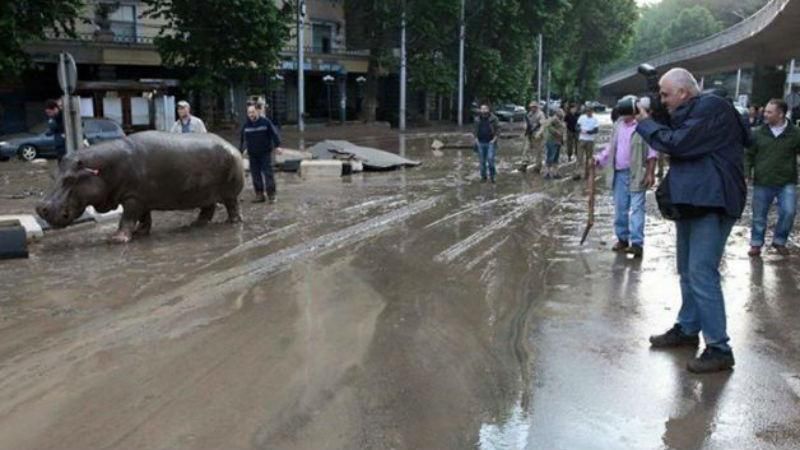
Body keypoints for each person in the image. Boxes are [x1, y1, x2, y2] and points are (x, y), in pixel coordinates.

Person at [635, 68, 749, 373]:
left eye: (665, 94)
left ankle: (719, 347)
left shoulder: (713, 108)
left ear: (684, 93)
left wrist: (645, 123)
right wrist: (654, 102)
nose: (663, 100)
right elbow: (672, 126)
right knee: (687, 270)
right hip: (695, 200)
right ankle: (687, 328)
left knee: (701, 272)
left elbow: (677, 142)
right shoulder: (695, 111)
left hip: (713, 201)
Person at [594, 97, 658, 257]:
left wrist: (650, 173)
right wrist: (599, 159)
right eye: (622, 114)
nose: (624, 117)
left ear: (634, 112)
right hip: (619, 174)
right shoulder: (618, 126)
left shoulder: (644, 127)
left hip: (637, 174)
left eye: (626, 114)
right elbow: (611, 147)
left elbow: (652, 152)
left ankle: (637, 244)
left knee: (637, 209)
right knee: (620, 209)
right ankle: (622, 239)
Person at [744, 99, 800, 257]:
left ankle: (779, 241)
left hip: (786, 181)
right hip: (763, 180)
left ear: (781, 114)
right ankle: (756, 244)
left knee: (789, 212)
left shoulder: (795, 133)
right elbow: (748, 155)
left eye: (769, 112)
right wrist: (746, 173)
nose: (765, 114)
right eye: (765, 111)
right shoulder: (758, 133)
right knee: (759, 216)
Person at [240, 104, 282, 203]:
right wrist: (243, 149)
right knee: (255, 174)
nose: (251, 114)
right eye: (249, 113)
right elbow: (243, 139)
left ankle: (271, 195)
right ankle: (259, 195)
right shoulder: (246, 125)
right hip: (252, 154)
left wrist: (277, 146)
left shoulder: (265, 122)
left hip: (265, 153)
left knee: (268, 174)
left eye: (252, 112)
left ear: (258, 111)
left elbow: (274, 134)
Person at [473, 104, 500, 183]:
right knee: (482, 161)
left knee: (490, 159)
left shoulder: (494, 118)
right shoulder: (477, 119)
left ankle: (492, 176)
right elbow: (474, 130)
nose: (483, 110)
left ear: (488, 110)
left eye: (485, 109)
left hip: (491, 142)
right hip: (480, 142)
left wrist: (494, 139)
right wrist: (476, 139)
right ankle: (483, 177)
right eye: (482, 109)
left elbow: (498, 130)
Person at [540, 108, 566, 179]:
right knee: (550, 157)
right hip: (552, 141)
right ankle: (547, 173)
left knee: (556, 158)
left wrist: (562, 140)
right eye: (560, 112)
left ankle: (555, 173)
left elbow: (562, 130)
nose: (562, 114)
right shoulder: (554, 119)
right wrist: (555, 132)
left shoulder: (560, 120)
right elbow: (548, 126)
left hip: (558, 141)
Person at [577, 106, 600, 179]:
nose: (589, 113)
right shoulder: (582, 117)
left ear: (592, 112)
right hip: (582, 139)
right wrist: (580, 130)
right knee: (579, 157)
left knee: (589, 158)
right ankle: (578, 173)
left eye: (590, 111)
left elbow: (596, 130)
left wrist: (588, 132)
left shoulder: (595, 119)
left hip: (590, 140)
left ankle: (587, 174)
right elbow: (577, 126)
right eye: (587, 111)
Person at [524, 101, 545, 171]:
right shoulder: (529, 114)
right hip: (530, 134)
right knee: (526, 149)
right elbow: (526, 124)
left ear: (536, 107)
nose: (532, 109)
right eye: (531, 107)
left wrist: (539, 133)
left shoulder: (540, 114)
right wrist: (525, 129)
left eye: (533, 107)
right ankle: (524, 164)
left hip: (537, 135)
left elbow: (543, 125)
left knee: (538, 152)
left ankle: (538, 166)